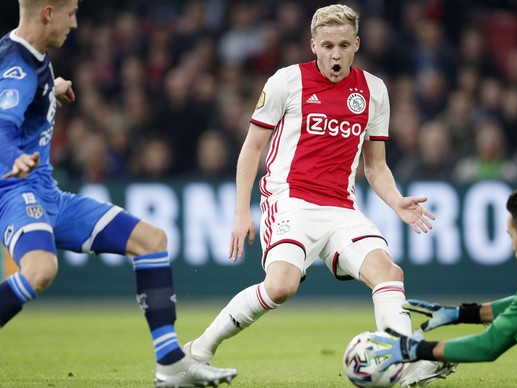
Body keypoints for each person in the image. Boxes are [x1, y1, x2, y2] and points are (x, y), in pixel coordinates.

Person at [183, 4, 456, 386]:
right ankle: (198, 350)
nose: (336, 54)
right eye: (327, 45)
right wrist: (241, 211)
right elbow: (251, 148)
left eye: (344, 45)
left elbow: (375, 166)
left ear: (357, 44)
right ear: (313, 45)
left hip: (342, 208)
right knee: (281, 286)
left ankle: (407, 361)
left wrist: (396, 201)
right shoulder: (286, 81)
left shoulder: (374, 91)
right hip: (290, 200)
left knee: (388, 273)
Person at [0, 1, 237, 387]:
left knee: (151, 240)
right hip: (16, 193)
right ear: (48, 12)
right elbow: (2, 127)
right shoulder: (19, 67)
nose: (76, 23)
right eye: (71, 12)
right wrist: (15, 158)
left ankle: (171, 364)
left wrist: (49, 92)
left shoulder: (29, 58)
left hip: (50, 196)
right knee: (41, 270)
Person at [371, 184, 517, 370]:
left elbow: (488, 345)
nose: (512, 247)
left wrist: (417, 349)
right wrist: (461, 314)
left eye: (511, 236)